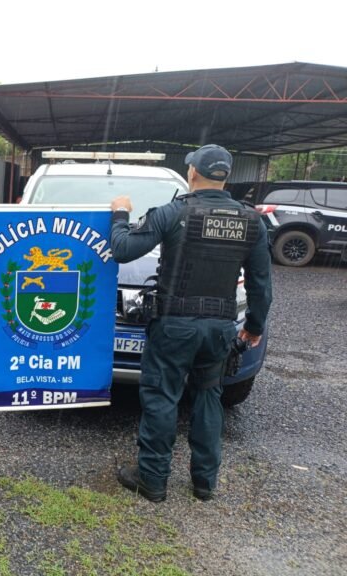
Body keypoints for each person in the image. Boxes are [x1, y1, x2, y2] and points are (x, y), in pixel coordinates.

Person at [109, 144, 272, 502]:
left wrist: (120, 214)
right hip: (219, 328)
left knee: (162, 397)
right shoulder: (251, 221)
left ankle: (152, 479)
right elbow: (261, 284)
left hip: (173, 326)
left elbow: (122, 250)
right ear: (225, 176)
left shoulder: (174, 213)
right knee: (209, 398)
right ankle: (204, 482)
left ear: (193, 173)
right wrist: (255, 327)